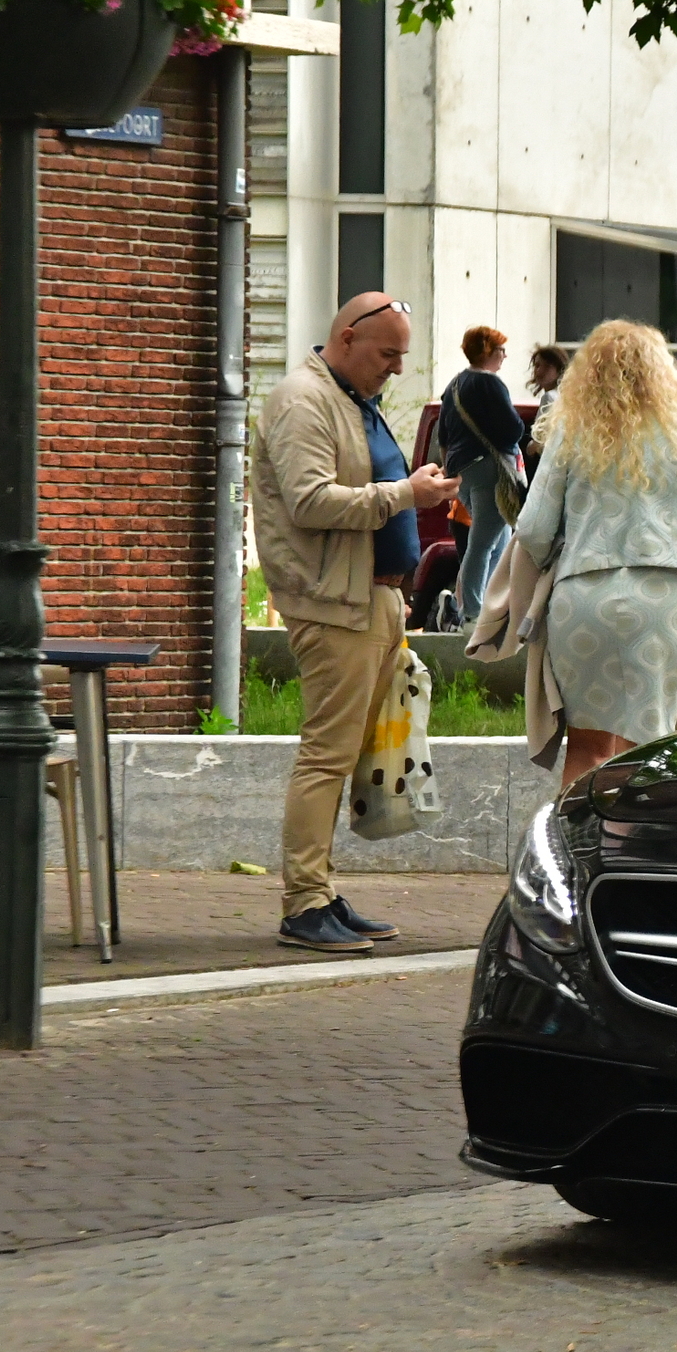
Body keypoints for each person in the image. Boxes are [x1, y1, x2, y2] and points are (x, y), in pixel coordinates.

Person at [250, 293, 459, 953]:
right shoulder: (302, 400)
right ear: (345, 338)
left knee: (339, 755)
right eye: (387, 353)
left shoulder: (348, 399)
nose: (396, 368)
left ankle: (322, 891)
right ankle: (303, 902)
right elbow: (311, 501)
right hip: (334, 604)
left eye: (403, 354)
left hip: (370, 600)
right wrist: (407, 494)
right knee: (326, 753)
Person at [514, 321, 677, 786]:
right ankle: (629, 851)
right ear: (660, 372)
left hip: (580, 598)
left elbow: (532, 528)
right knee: (647, 748)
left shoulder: (569, 432)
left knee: (587, 750)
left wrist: (562, 556)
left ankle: (575, 853)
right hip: (659, 601)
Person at [437, 325, 525, 633]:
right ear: (487, 351)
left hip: (464, 470)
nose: (504, 356)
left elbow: (443, 435)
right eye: (500, 350)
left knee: (497, 539)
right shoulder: (490, 384)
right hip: (491, 468)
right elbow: (514, 429)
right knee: (485, 542)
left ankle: (486, 606)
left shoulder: (454, 385)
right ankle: (472, 612)